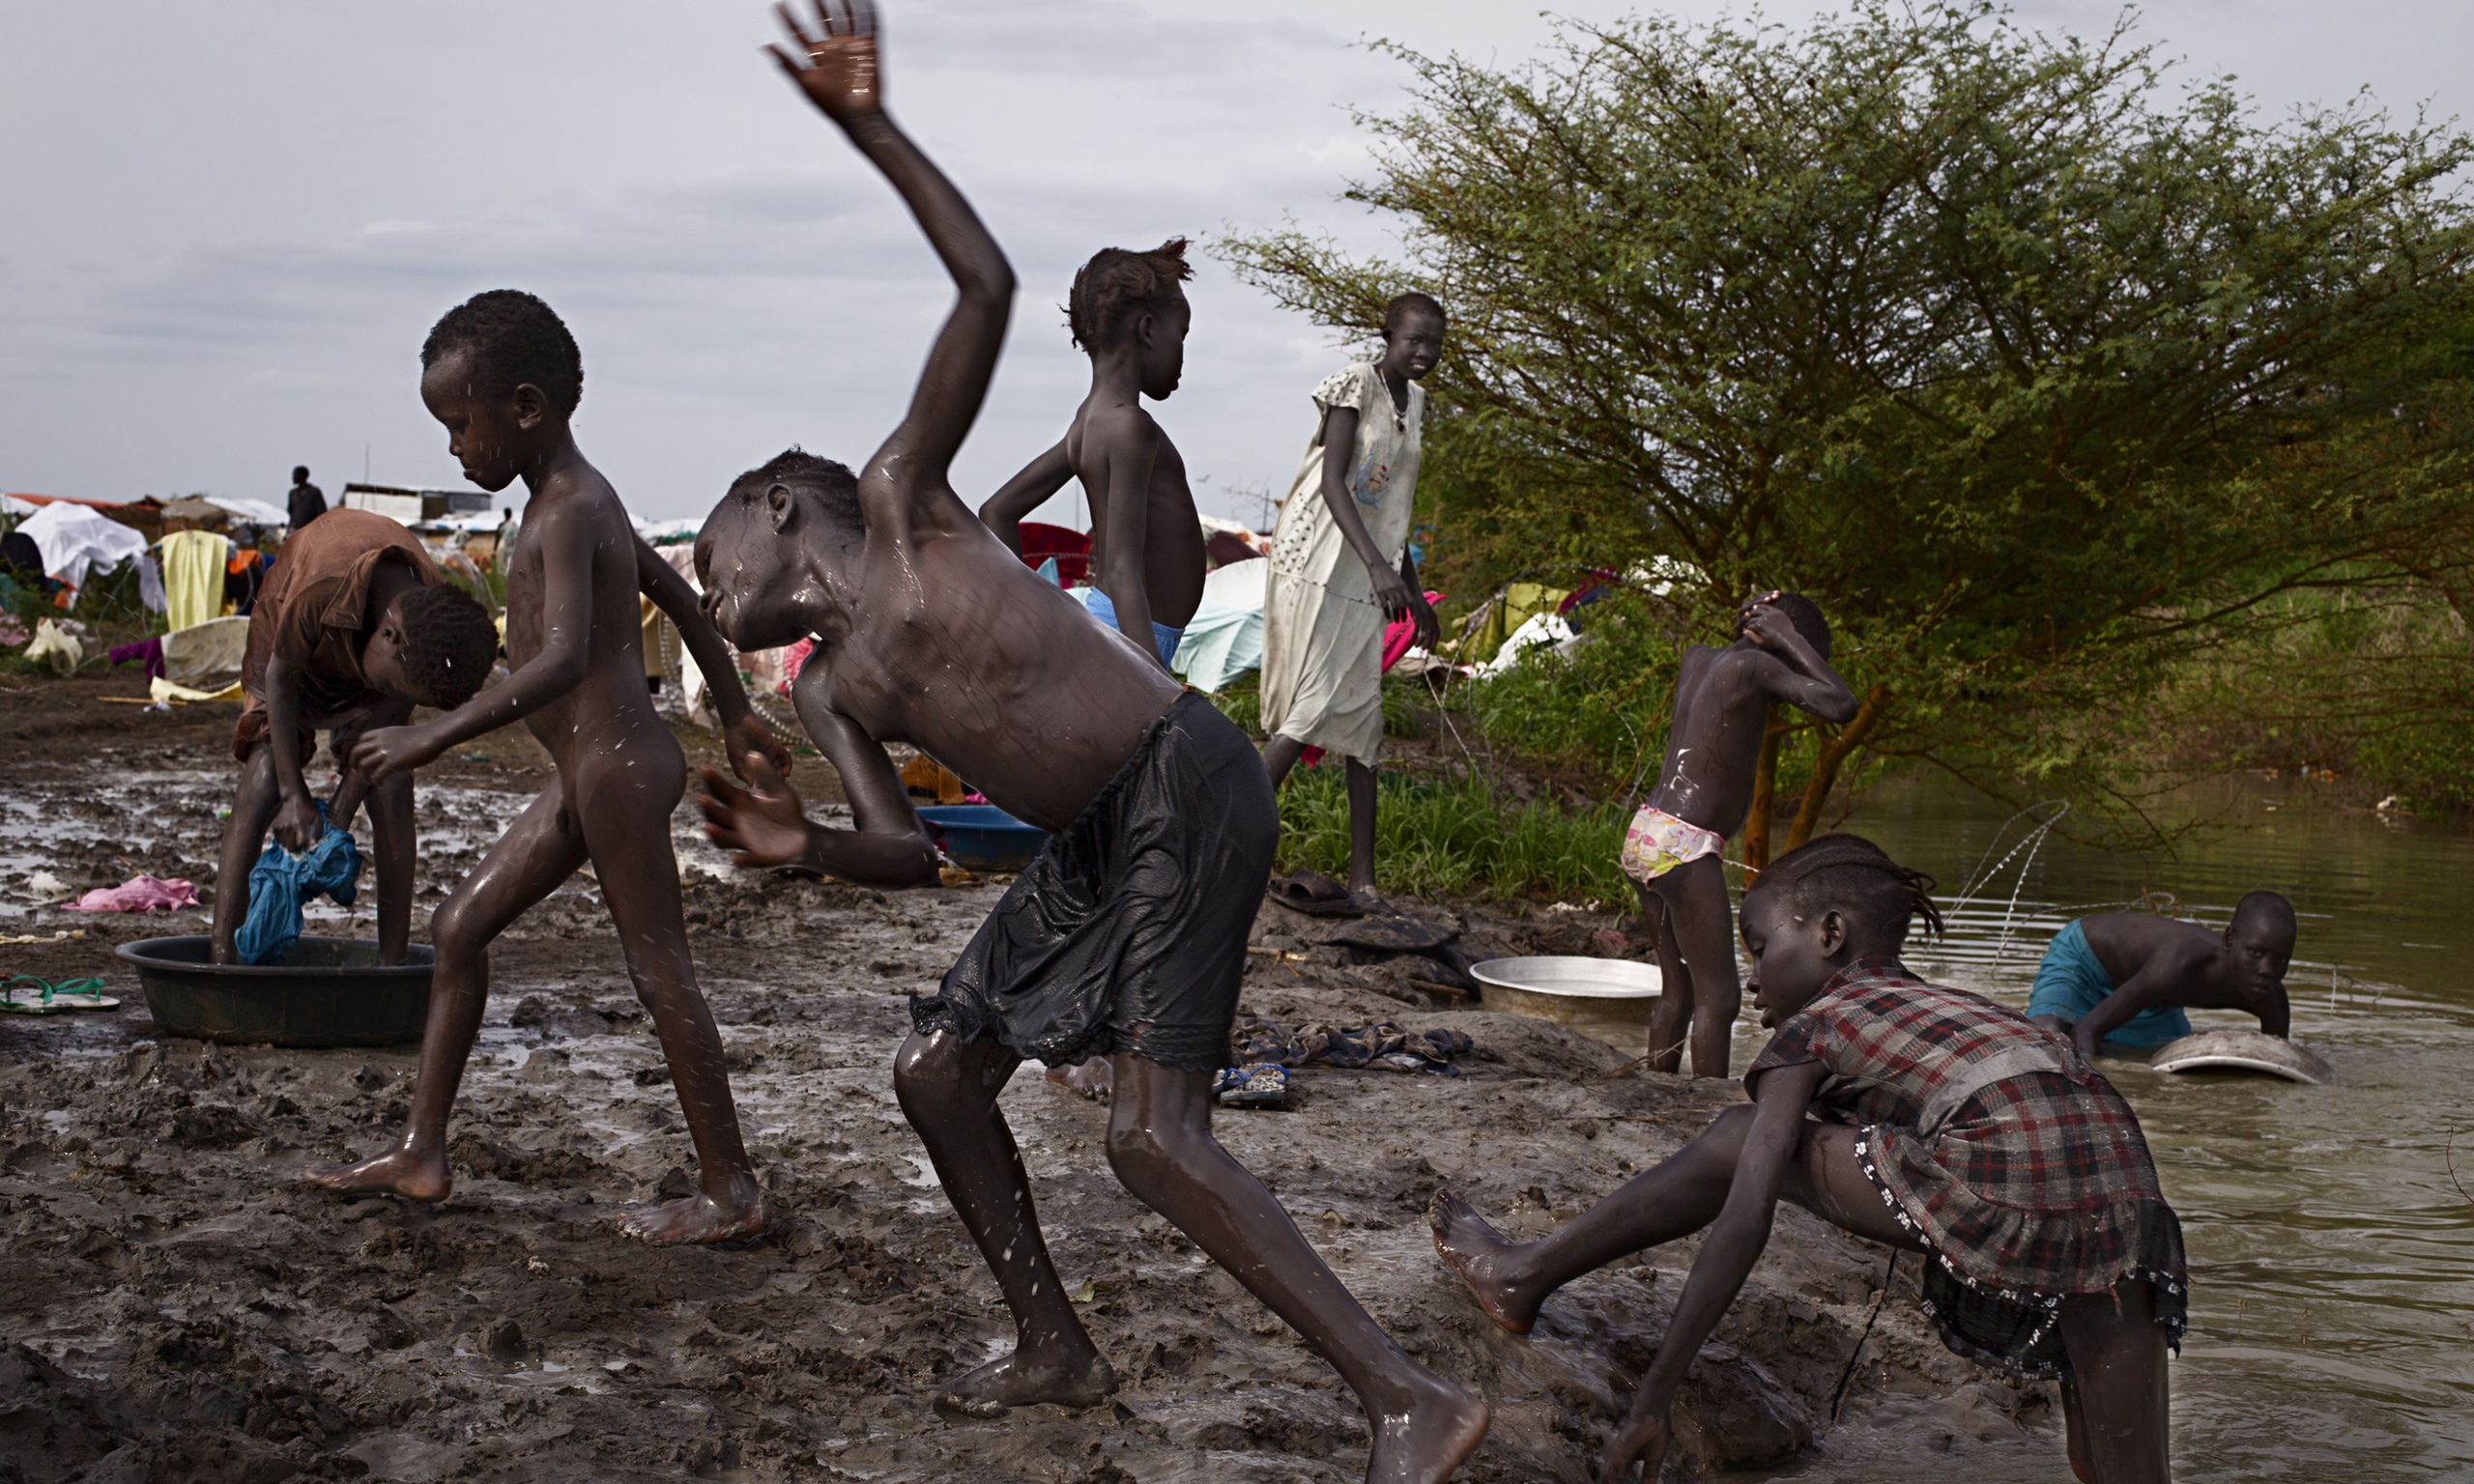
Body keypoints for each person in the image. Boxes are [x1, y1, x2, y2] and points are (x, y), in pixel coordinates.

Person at [688, 6, 1489, 1475]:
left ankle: (1408, 1399)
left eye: (711, 545)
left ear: (776, 505)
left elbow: (981, 280)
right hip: (1102, 837)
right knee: (936, 1072)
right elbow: (907, 855)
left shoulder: (905, 494)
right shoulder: (826, 692)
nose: (705, 577)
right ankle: (1054, 1344)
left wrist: (871, 125)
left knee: (1150, 1137)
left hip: (1187, 778)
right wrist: (804, 847)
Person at [1431, 834, 2183, 1484]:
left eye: (1760, 949)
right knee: (2124, 1469)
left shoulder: (1818, 1024)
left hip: (2008, 1186)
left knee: (1736, 1132)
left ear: (1829, 934)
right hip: (2132, 1201)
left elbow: (1747, 1209)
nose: (1753, 978)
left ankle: (1523, 1275)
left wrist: (1652, 1399)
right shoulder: (1964, 1006)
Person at [304, 288, 788, 1245]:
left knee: (660, 975)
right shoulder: (574, 501)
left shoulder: (571, 509)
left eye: (459, 423)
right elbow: (684, 603)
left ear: (524, 408)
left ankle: (732, 1194)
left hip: (615, 767)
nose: (453, 448)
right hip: (591, 770)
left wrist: (426, 739)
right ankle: (422, 1152)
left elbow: (562, 660)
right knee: (458, 929)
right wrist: (734, 716)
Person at [210, 507, 499, 967]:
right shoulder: (321, 588)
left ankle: (391, 964)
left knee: (392, 783)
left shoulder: (431, 627)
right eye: (388, 688)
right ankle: (221, 957)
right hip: (285, 646)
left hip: (368, 656)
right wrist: (293, 797)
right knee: (265, 772)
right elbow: (280, 684)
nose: (388, 697)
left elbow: (386, 721)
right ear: (387, 635)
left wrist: (338, 815)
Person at [1257, 295, 1446, 905]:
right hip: (1316, 560)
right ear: (1387, 335)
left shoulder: (1417, 404)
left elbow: (1393, 510)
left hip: (1371, 571)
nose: (1423, 353)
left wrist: (1413, 593)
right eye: (1413, 340)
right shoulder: (1353, 385)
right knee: (1310, 708)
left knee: (1364, 721)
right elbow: (1335, 480)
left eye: (1434, 344)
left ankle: (1363, 881)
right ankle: (1218, 844)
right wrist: (1376, 568)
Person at [1626, 590, 1856, 1078]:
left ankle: (1653, 1091)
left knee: (1678, 989)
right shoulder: (1754, 665)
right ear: (1776, 637)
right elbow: (1840, 704)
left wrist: (1773, 632)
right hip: (1684, 843)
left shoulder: (1699, 659)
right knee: (1721, 997)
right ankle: (1705, 1109)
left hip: (1647, 828)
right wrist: (1792, 639)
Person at [981, 238, 1206, 670]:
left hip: (1121, 633)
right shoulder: (1128, 427)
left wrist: (1029, 616)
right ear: (1147, 330)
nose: (1182, 353)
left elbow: (997, 510)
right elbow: (1122, 569)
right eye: (1182, 335)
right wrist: (1156, 685)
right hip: (1129, 644)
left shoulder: (1090, 423)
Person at [2028, 895, 2295, 1059]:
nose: (2267, 971)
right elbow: (2087, 1030)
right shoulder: (2182, 963)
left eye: (2281, 959)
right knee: (2049, 1036)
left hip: (2151, 993)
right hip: (2085, 960)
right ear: (2229, 940)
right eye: (2256, 952)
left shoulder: (2271, 999)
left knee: (2164, 1056)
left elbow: (2280, 1065)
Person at [287, 466, 327, 532]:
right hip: (295, 529)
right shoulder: (292, 493)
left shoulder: (314, 492)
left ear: (302, 476)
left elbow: (321, 512)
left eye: (295, 475)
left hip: (311, 529)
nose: (293, 477)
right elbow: (290, 510)